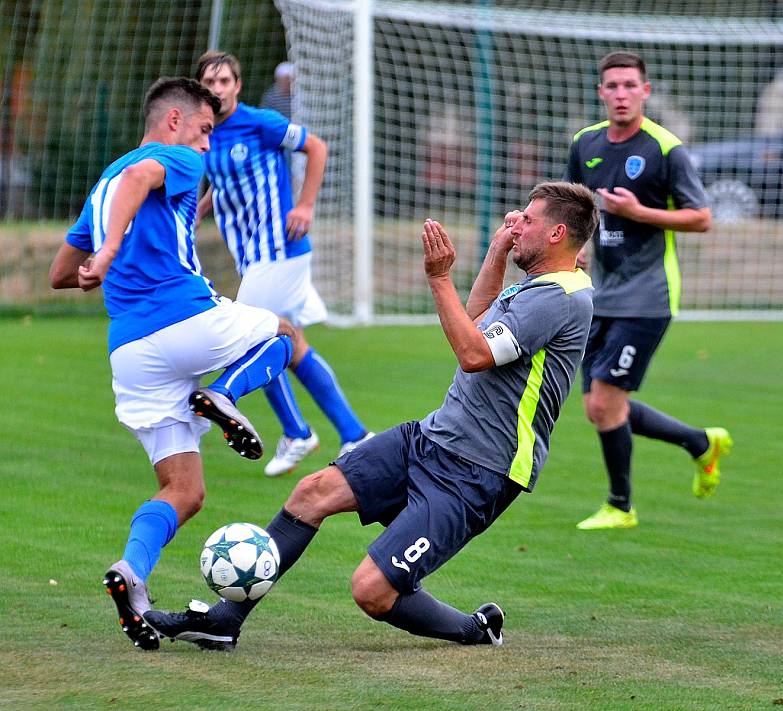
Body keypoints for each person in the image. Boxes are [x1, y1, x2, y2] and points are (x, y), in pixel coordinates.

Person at [143, 181, 599, 651]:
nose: (515, 222)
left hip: (479, 470)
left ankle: (474, 630)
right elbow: (476, 321)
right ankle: (224, 621)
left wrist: (439, 278)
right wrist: (497, 253)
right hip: (432, 438)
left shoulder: (559, 297)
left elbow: (472, 352)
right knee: (311, 493)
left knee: (372, 591)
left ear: (556, 233)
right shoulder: (541, 287)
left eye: (527, 219)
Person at [48, 77, 299, 651]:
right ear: (174, 121)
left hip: (131, 354)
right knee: (284, 334)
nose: (208, 144)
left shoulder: (101, 185)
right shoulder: (172, 158)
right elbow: (142, 177)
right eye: (205, 130)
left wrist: (93, 265)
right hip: (184, 320)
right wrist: (109, 252)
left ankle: (132, 575)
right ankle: (228, 394)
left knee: (183, 490)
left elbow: (60, 274)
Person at [564, 51, 733, 531]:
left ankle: (621, 506)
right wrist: (576, 247)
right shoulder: (585, 143)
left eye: (629, 86)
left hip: (648, 295)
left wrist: (641, 214)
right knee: (601, 406)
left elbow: (700, 217)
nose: (621, 94)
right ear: (602, 93)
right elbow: (575, 207)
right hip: (597, 293)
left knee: (603, 404)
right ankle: (701, 443)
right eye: (612, 86)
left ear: (646, 91)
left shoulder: (666, 148)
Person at [195, 51, 372, 477]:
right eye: (210, 83)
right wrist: (197, 211)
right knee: (292, 347)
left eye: (224, 81)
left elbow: (317, 147)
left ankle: (296, 431)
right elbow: (223, 185)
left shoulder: (261, 123)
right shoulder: (205, 135)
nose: (217, 89)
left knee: (254, 340)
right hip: (254, 257)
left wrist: (306, 205)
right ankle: (354, 434)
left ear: (237, 86)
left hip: (281, 250)